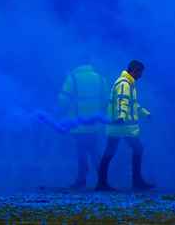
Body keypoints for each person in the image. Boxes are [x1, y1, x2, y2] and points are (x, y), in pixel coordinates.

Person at [95, 60, 154, 191]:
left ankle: (101, 183)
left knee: (110, 152)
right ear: (134, 71)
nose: (141, 75)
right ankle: (136, 181)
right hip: (122, 126)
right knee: (137, 149)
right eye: (140, 72)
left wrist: (145, 113)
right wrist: (121, 116)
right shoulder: (125, 84)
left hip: (119, 126)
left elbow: (132, 104)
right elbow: (123, 101)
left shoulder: (126, 83)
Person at [58, 65, 109, 189]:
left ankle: (81, 180)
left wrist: (62, 111)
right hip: (94, 123)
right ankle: (102, 180)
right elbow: (106, 101)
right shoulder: (101, 78)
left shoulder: (73, 78)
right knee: (94, 151)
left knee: (81, 151)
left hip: (78, 123)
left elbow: (63, 100)